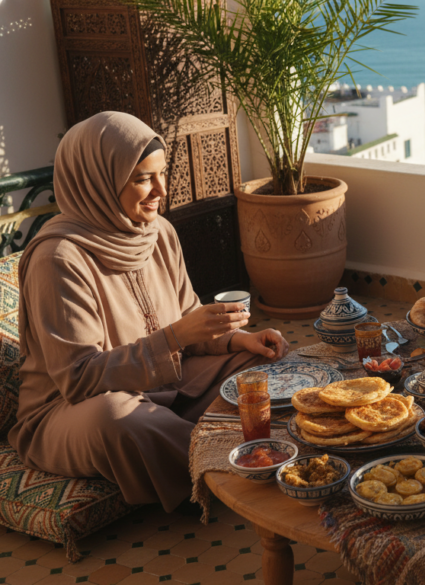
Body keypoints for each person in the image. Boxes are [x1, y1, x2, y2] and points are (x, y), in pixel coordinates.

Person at [8, 112, 290, 512]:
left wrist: (238, 340)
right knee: (120, 419)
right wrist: (174, 338)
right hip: (72, 411)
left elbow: (187, 321)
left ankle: (268, 450)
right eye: (142, 179)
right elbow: (79, 378)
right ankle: (237, 474)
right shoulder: (58, 259)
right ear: (98, 183)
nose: (161, 189)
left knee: (259, 369)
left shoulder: (158, 232)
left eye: (162, 173)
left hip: (163, 383)